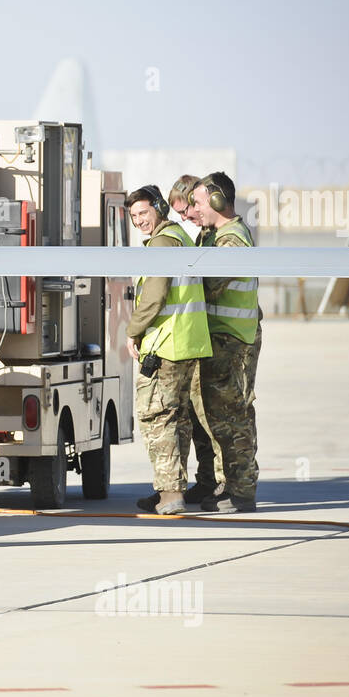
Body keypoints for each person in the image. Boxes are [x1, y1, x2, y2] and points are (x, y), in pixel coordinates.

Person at [125, 185, 212, 515]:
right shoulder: (179, 236)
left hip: (167, 345)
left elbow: (155, 295)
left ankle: (170, 494)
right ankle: (173, 489)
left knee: (158, 418)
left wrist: (132, 332)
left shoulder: (162, 243)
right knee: (178, 420)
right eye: (134, 217)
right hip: (188, 343)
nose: (139, 221)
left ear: (159, 209)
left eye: (144, 213)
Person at [186, 172, 261, 512]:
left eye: (199, 202)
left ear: (218, 200)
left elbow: (209, 284)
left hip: (232, 339)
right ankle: (228, 484)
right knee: (221, 417)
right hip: (221, 337)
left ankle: (242, 490)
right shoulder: (215, 236)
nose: (195, 209)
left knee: (234, 416)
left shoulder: (232, 241)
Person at [168, 174, 223, 507]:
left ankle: (216, 481)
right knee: (193, 418)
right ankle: (204, 481)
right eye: (179, 213)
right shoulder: (197, 235)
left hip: (210, 338)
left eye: (186, 210)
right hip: (195, 339)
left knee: (208, 418)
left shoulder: (212, 237)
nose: (185, 217)